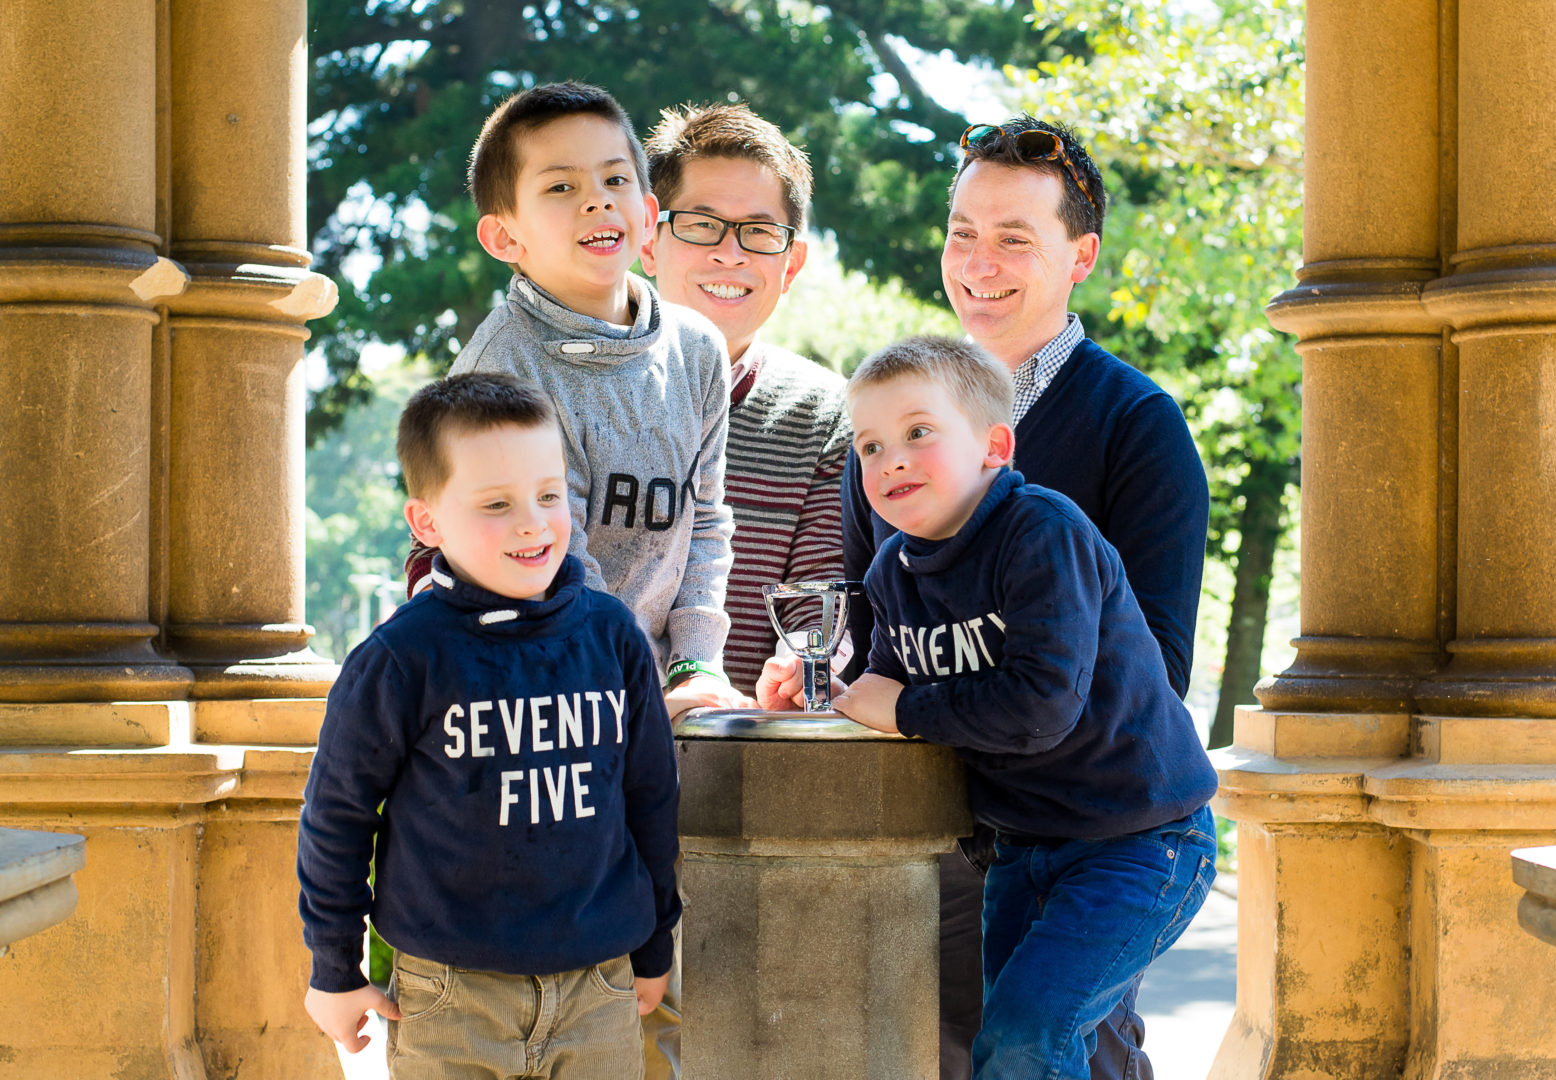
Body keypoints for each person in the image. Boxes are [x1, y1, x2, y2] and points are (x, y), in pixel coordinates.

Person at [760, 116, 1210, 1079]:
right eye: (965, 231)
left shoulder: (1135, 424)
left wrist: (933, 703)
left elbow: (1153, 669)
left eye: (1016, 238)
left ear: (1079, 255)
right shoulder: (889, 429)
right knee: (964, 1051)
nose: (981, 260)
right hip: (956, 818)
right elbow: (871, 624)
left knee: (1059, 1044)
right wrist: (816, 672)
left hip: (1103, 824)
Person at [830, 335, 1218, 1079]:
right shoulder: (893, 571)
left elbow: (1041, 705)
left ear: (994, 446)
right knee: (1007, 1043)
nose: (891, 460)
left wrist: (905, 708)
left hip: (1139, 838)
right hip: (1024, 844)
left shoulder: (1044, 533)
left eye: (919, 433)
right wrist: (833, 696)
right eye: (870, 446)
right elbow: (884, 688)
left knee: (1029, 1036)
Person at [298, 373, 680, 1079]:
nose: (533, 522)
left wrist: (655, 946)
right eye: (496, 505)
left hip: (599, 985)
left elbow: (651, 800)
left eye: (549, 495)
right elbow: (337, 820)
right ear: (427, 523)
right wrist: (333, 967)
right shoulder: (398, 660)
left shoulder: (612, 637)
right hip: (449, 998)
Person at [404, 81, 749, 720]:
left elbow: (704, 516)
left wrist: (695, 663)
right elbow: (553, 550)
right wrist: (631, 683)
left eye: (615, 181)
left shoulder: (697, 348)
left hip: (650, 689)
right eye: (561, 187)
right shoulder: (502, 370)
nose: (597, 202)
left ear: (648, 212)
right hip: (527, 686)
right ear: (504, 237)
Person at [641, 102, 850, 692]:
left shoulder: (829, 415)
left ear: (792, 263)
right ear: (647, 239)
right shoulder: (560, 391)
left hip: (739, 759)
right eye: (701, 224)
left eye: (759, 232)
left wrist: (807, 673)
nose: (729, 253)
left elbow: (820, 602)